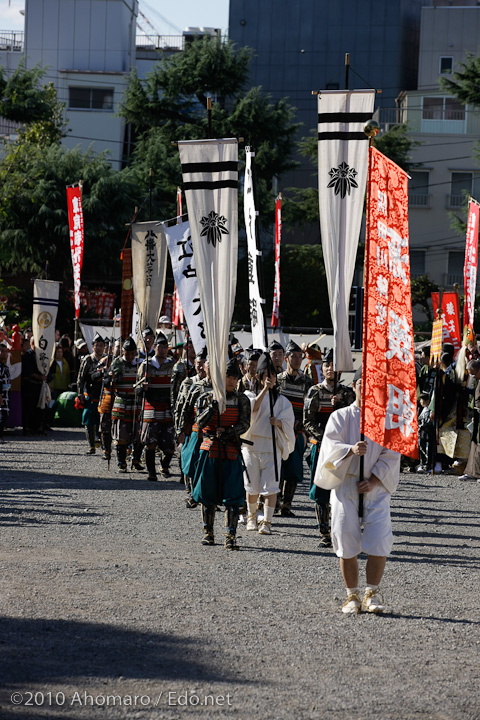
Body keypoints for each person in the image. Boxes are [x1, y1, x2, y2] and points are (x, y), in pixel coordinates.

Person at [314, 369, 401, 614]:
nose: (367, 387)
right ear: (354, 386)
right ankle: (351, 596)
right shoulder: (340, 417)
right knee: (345, 537)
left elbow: (391, 453)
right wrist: (350, 450)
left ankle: (372, 591)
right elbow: (329, 447)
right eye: (363, 382)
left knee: (379, 539)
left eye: (372, 383)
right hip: (346, 484)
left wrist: (374, 480)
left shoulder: (385, 419)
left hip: (376, 488)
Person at [192, 358, 251, 550]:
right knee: (207, 494)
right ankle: (208, 533)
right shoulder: (205, 397)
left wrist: (229, 431)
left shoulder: (242, 399)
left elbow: (245, 423)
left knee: (233, 497)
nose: (232, 381)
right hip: (210, 449)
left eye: (235, 377)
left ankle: (230, 535)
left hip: (231, 449)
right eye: (228, 377)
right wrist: (213, 406)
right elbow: (200, 422)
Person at [303, 350, 355, 547]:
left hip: (343, 449)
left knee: (343, 487)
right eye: (327, 365)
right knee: (321, 489)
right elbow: (308, 421)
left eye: (334, 365)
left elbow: (353, 418)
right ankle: (324, 531)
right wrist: (325, 439)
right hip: (322, 447)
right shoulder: (314, 392)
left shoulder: (347, 393)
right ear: (322, 368)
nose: (330, 369)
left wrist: (341, 405)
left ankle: (341, 529)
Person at [241, 352, 295, 535]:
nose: (268, 378)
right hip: (251, 446)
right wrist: (264, 390)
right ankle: (251, 518)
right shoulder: (248, 394)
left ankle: (268, 521)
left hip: (271, 448)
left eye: (271, 375)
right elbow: (252, 409)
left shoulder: (281, 401)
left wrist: (278, 423)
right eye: (265, 374)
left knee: (271, 486)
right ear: (259, 376)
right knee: (252, 485)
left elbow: (288, 423)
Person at [276, 340, 313, 516]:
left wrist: (304, 429)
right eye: (293, 356)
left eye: (300, 357)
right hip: (279, 430)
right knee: (278, 466)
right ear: (286, 358)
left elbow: (310, 408)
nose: (297, 360)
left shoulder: (307, 382)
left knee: (294, 468)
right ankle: (275, 501)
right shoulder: (278, 380)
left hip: (297, 431)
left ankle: (287, 504)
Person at [137, 332, 175, 481]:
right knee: (150, 442)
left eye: (166, 347)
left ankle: (164, 465)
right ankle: (151, 473)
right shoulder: (146, 365)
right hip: (151, 407)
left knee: (170, 444)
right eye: (160, 346)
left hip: (167, 407)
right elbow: (136, 387)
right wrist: (143, 388)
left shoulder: (173, 364)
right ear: (154, 347)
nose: (163, 349)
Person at [76, 333, 106, 454]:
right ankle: (91, 446)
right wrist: (80, 393)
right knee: (89, 421)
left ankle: (104, 446)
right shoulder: (88, 359)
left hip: (104, 395)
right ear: (92, 347)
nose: (99, 348)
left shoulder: (107, 359)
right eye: (96, 345)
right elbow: (80, 378)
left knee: (103, 421)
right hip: (90, 394)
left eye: (101, 345)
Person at [460, 358, 480, 481]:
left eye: (474, 373)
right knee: (474, 442)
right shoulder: (477, 381)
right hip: (477, 414)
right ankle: (472, 471)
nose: (472, 376)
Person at [417, 392, 434, 472]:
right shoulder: (422, 409)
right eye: (420, 400)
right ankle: (422, 464)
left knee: (427, 448)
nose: (421, 402)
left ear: (428, 401)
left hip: (426, 431)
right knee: (421, 448)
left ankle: (427, 465)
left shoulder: (429, 410)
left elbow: (428, 422)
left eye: (423, 400)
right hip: (421, 432)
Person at [0, 342, 11, 442]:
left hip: (6, 394)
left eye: (6, 351)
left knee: (5, 415)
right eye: (2, 351)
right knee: (2, 415)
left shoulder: (5, 367)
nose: (4, 354)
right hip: (1, 395)